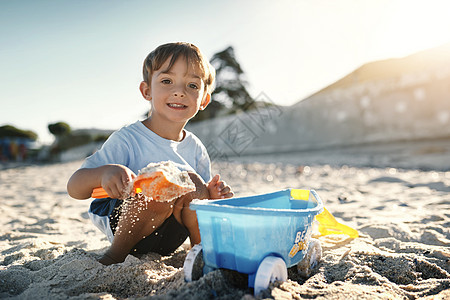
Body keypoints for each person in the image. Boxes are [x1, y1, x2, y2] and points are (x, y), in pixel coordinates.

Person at [67, 42, 233, 265]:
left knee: (193, 182)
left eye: (192, 85)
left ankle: (202, 253)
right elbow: (74, 187)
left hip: (171, 237)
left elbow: (199, 207)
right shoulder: (128, 138)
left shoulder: (196, 149)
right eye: (167, 81)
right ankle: (113, 258)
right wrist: (105, 173)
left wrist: (212, 194)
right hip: (126, 229)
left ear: (203, 99)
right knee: (160, 183)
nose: (179, 91)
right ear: (147, 91)